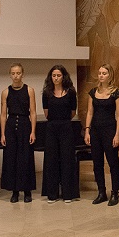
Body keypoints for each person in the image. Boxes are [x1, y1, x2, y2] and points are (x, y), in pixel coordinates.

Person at [84, 64, 119, 206]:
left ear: (110, 75)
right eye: (100, 73)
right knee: (97, 162)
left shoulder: (116, 93)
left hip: (110, 130)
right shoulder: (93, 92)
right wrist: (87, 130)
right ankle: (101, 192)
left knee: (113, 162)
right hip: (95, 130)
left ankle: (115, 192)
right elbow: (90, 112)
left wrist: (118, 134)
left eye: (104, 73)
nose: (101, 75)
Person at [41, 65, 78, 203]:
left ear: (63, 77)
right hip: (51, 128)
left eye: (58, 75)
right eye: (54, 75)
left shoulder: (71, 92)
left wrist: (63, 119)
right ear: (51, 77)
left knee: (67, 159)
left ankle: (68, 194)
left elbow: (73, 112)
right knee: (51, 160)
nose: (56, 78)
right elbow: (46, 113)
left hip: (66, 127)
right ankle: (52, 194)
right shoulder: (46, 93)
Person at [0, 63, 36, 203]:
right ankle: (14, 191)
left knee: (25, 158)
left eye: (18, 73)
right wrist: (2, 134)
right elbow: (3, 114)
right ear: (10, 75)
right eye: (13, 73)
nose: (16, 76)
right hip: (10, 126)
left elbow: (33, 112)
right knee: (11, 158)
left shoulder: (29, 90)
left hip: (24, 125)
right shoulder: (5, 92)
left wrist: (33, 131)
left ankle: (27, 191)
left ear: (22, 74)